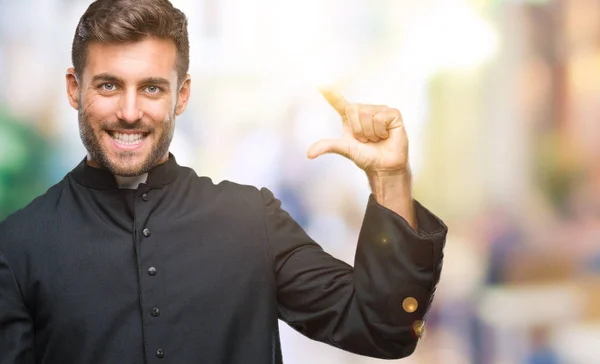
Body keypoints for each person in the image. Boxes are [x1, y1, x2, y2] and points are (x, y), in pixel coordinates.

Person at [0, 0, 448, 363]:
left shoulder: (251, 220)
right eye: (109, 86)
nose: (131, 111)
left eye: (152, 88)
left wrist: (390, 180)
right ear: (75, 89)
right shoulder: (18, 247)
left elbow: (384, 329)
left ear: (182, 95)